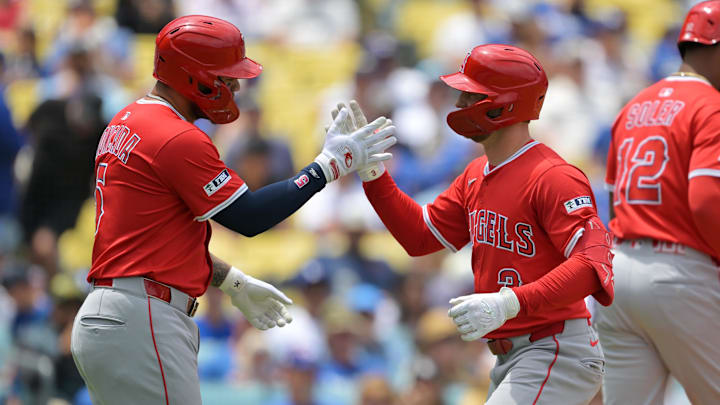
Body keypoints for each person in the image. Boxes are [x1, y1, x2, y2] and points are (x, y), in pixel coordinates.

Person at [70, 15, 396, 405]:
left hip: (111, 315)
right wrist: (327, 166)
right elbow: (249, 217)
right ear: (192, 75)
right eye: (226, 76)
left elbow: (154, 244)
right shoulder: (174, 135)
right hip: (143, 319)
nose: (236, 86)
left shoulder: (127, 120)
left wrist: (230, 280)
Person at [353, 44, 615, 404]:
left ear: (505, 104)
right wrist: (374, 175)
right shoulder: (476, 173)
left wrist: (509, 304)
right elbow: (420, 237)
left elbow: (592, 265)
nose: (460, 104)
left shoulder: (553, 176)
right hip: (513, 356)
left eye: (470, 95)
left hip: (554, 349)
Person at [597, 2, 720, 404]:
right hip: (679, 274)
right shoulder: (711, 107)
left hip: (619, 274)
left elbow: (614, 204)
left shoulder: (634, 105)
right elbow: (705, 201)